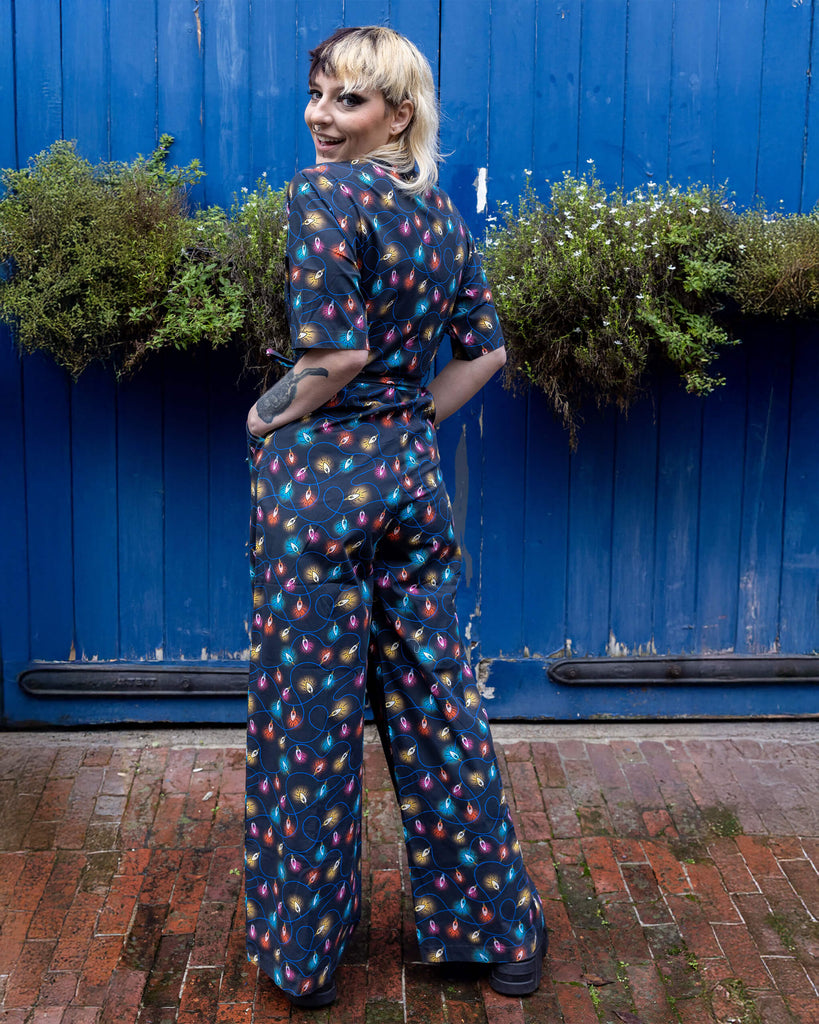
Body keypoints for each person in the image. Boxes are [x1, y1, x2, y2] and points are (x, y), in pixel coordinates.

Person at [244, 25, 547, 1009]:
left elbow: (328, 361)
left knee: (310, 726)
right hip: (412, 483)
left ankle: (306, 958)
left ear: (397, 114)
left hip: (322, 495)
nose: (320, 117)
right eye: (319, 94)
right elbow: (485, 353)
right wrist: (407, 419)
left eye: (348, 101)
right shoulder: (444, 219)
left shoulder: (324, 197)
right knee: (438, 706)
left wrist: (266, 414)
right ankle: (501, 933)